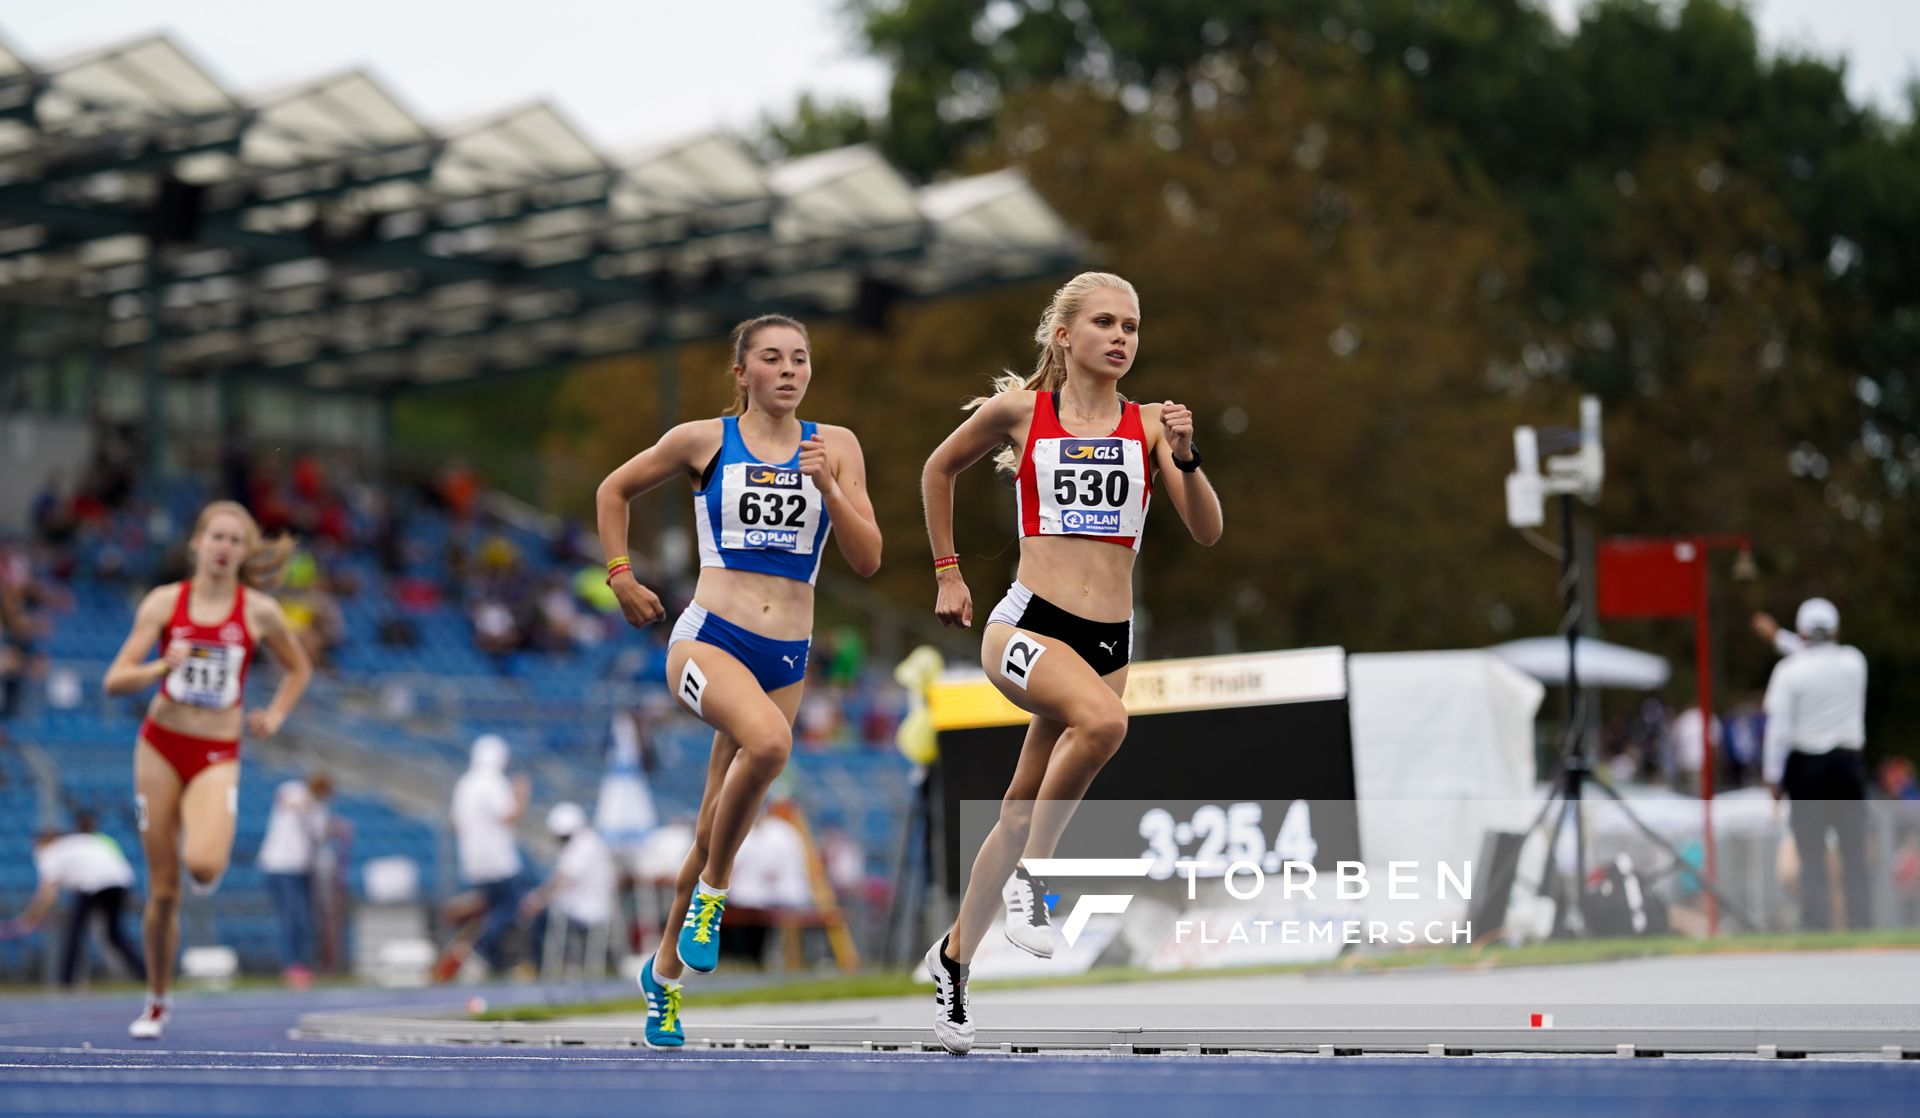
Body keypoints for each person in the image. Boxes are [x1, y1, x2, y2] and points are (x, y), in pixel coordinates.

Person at [917, 272, 1222, 1053]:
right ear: (1065, 335)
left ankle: (953, 962)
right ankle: (1037, 885)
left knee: (1019, 807)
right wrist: (949, 570)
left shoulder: (1150, 423)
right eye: (1106, 323)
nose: (1121, 338)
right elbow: (937, 469)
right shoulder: (1024, 412)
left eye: (1133, 326)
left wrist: (1184, 456)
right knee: (1105, 721)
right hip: (1026, 623)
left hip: (1107, 640)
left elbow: (1208, 532)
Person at [594, 313, 881, 1048]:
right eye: (773, 359)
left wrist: (834, 490)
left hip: (786, 655)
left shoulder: (837, 445)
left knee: (708, 824)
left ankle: (661, 977)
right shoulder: (704, 441)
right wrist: (621, 576)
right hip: (708, 638)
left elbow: (869, 557)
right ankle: (715, 896)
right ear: (742, 373)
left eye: (801, 359)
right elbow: (613, 490)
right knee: (770, 743)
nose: (790, 371)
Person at [102, 501, 311, 1038]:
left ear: (245, 552)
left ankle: (211, 841)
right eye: (216, 537)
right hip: (160, 746)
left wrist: (277, 714)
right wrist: (158, 665)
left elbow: (299, 667)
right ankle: (156, 999)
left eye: (235, 540)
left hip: (217, 751)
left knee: (200, 865)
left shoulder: (259, 611)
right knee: (164, 890)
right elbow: (115, 679)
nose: (224, 548)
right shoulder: (165, 602)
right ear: (197, 543)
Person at [1761, 597, 1871, 931]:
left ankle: (1817, 924)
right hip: (1847, 768)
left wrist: (1773, 779)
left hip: (1807, 770)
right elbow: (1818, 653)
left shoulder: (1789, 672)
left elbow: (1778, 731)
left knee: (1811, 855)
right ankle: (1860, 923)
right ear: (1835, 629)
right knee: (1854, 852)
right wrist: (1779, 637)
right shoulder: (1855, 662)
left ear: (1801, 631)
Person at [4, 817, 145, 987]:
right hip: (120, 880)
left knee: (75, 933)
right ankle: (143, 973)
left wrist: (31, 917)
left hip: (94, 883)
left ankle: (66, 980)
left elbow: (48, 892)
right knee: (113, 933)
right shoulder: (79, 843)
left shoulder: (51, 851)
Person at [450, 734, 531, 974]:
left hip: (472, 860)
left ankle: (493, 961)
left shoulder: (465, 783)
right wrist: (522, 794)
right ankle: (481, 948)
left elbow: (455, 823)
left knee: (492, 909)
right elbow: (510, 816)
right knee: (510, 906)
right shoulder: (493, 782)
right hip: (497, 859)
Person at [519, 802, 618, 974]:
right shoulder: (594, 842)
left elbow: (564, 880)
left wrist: (537, 901)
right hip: (598, 906)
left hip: (584, 909)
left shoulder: (581, 846)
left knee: (538, 915)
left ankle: (539, 964)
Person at [257, 772, 332, 989]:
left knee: (302, 919)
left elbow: (320, 835)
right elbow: (285, 799)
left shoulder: (320, 810)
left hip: (303, 870)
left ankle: (300, 963)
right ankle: (292, 965)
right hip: (280, 865)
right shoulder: (294, 789)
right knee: (292, 916)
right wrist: (306, 805)